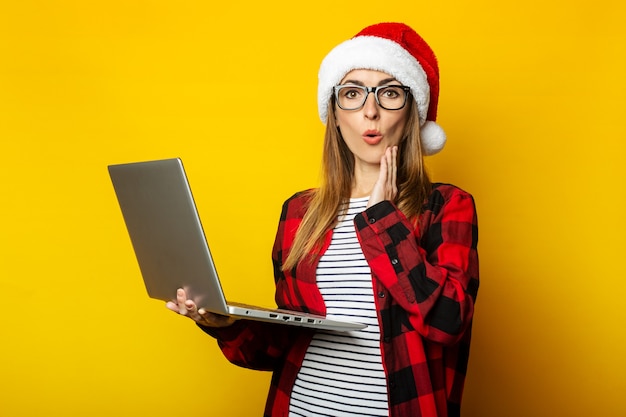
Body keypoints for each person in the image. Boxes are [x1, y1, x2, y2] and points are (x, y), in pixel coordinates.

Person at [166, 22, 479, 417]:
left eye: (389, 93)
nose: (370, 110)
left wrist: (382, 217)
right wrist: (221, 323)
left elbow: (449, 322)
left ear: (413, 112)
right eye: (352, 93)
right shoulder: (300, 213)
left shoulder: (446, 206)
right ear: (334, 113)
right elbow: (283, 346)